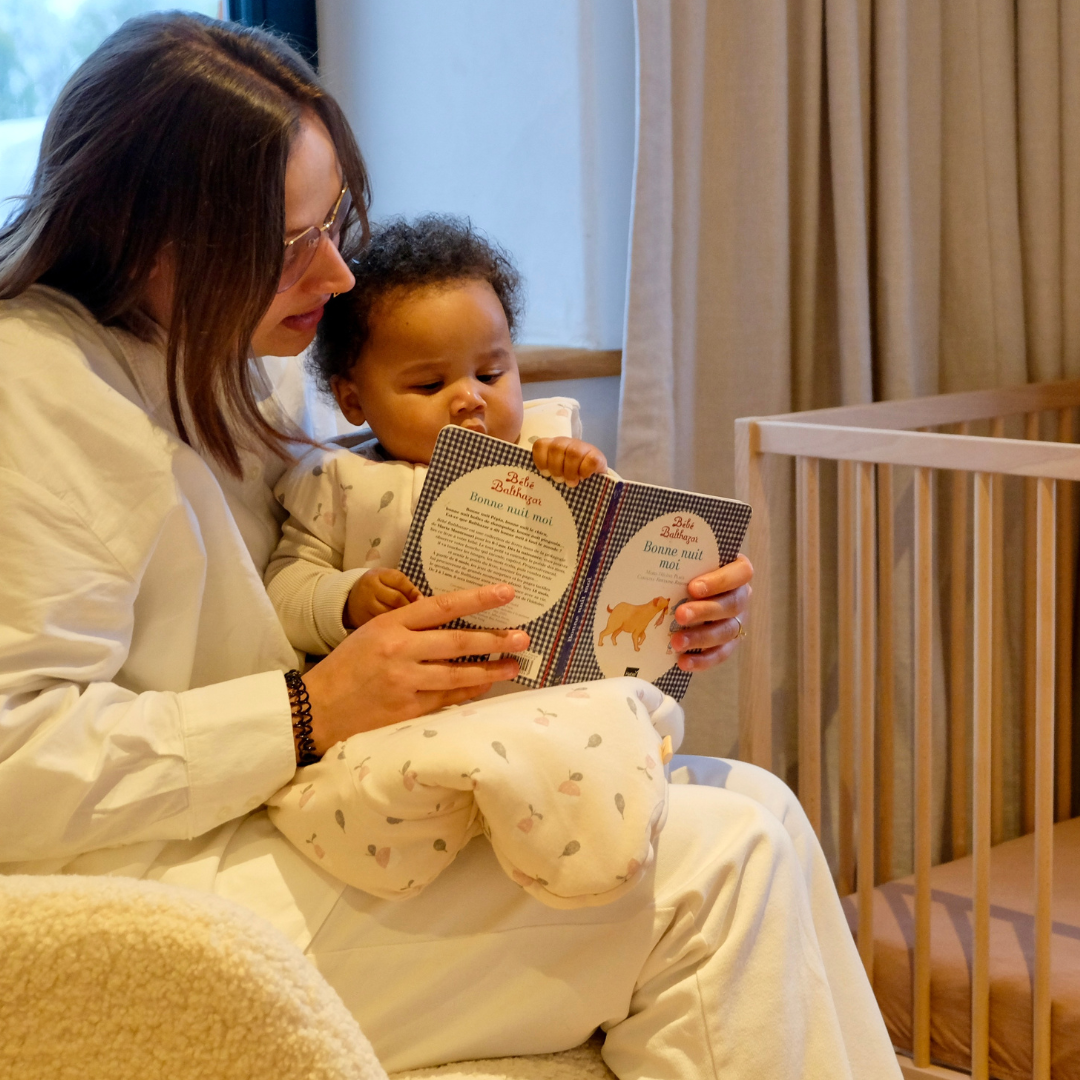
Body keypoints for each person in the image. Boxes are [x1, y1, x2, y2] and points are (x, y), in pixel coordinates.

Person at [0, 13, 901, 1080]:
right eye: (294, 245)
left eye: (335, 222)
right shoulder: (38, 392)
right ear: (158, 240)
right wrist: (310, 707)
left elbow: (355, 536)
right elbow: (17, 763)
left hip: (281, 810)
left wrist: (645, 596)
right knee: (726, 864)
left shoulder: (234, 366)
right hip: (134, 892)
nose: (337, 275)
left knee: (759, 802)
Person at [264, 214, 609, 648]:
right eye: (430, 384)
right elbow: (282, 591)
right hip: (408, 696)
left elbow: (609, 558)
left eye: (490, 374)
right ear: (353, 400)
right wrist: (347, 599)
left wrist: (586, 479)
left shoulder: (546, 451)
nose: (471, 398)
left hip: (529, 686)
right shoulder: (337, 480)